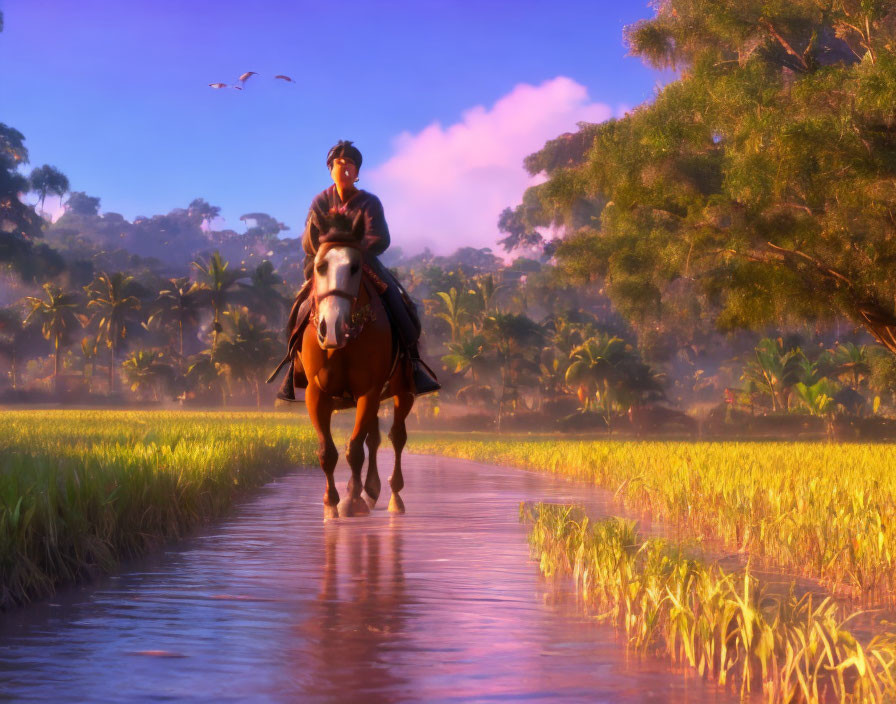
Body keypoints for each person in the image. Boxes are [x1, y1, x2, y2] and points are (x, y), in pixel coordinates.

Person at [272, 139, 440, 401]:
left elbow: (381, 238)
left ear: (358, 171)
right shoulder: (320, 202)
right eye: (340, 163)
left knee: (399, 301)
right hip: (325, 262)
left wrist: (354, 248)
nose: (345, 168)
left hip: (362, 262)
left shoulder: (370, 202)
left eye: (350, 164)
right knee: (299, 306)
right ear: (331, 169)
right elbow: (308, 241)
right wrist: (327, 250)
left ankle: (413, 363)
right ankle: (295, 363)